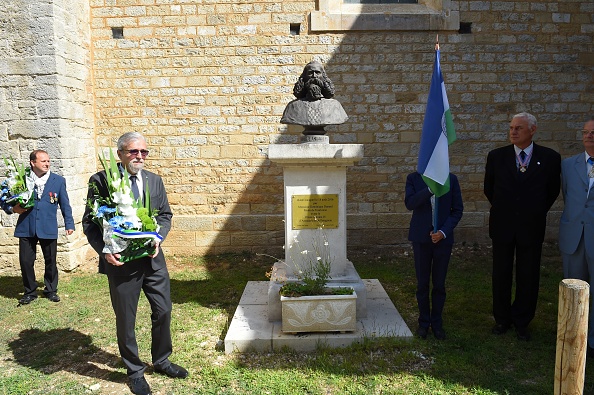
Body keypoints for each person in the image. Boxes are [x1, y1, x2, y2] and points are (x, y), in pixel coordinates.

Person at [82, 132, 187, 395]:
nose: (139, 156)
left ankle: (161, 360)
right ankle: (134, 371)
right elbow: (89, 223)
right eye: (133, 152)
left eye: (144, 152)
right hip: (120, 263)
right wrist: (104, 251)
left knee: (163, 310)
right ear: (120, 154)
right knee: (126, 319)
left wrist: (158, 238)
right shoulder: (101, 180)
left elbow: (165, 215)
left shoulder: (154, 180)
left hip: (153, 260)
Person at [484, 112, 561, 341]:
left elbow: (552, 191)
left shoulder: (549, 158)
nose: (513, 131)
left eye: (518, 128)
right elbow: (490, 189)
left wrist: (532, 211)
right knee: (501, 273)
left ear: (532, 130)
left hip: (531, 225)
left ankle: (522, 320)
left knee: (528, 274)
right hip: (503, 225)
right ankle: (502, 318)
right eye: (511, 127)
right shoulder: (497, 156)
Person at [1, 150, 74, 305]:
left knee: (51, 260)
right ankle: (29, 292)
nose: (47, 164)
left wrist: (69, 223)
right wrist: (13, 209)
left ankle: (51, 290)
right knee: (26, 261)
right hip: (26, 225)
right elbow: (4, 199)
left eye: (48, 161)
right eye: (43, 161)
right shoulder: (21, 179)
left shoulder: (58, 180)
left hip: (47, 225)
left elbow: (65, 204)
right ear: (33, 163)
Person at [405, 171, 463, 340]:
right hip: (421, 239)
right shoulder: (414, 178)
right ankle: (423, 322)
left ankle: (437, 323)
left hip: (442, 240)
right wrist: (430, 190)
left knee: (439, 284)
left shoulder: (451, 179)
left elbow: (457, 210)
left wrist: (443, 232)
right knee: (422, 283)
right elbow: (410, 203)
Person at [559, 117, 594, 356]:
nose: (589, 136)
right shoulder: (568, 165)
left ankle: (591, 340)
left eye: (593, 132)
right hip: (574, 237)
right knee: (573, 288)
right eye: (586, 132)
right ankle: (572, 336)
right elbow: (567, 195)